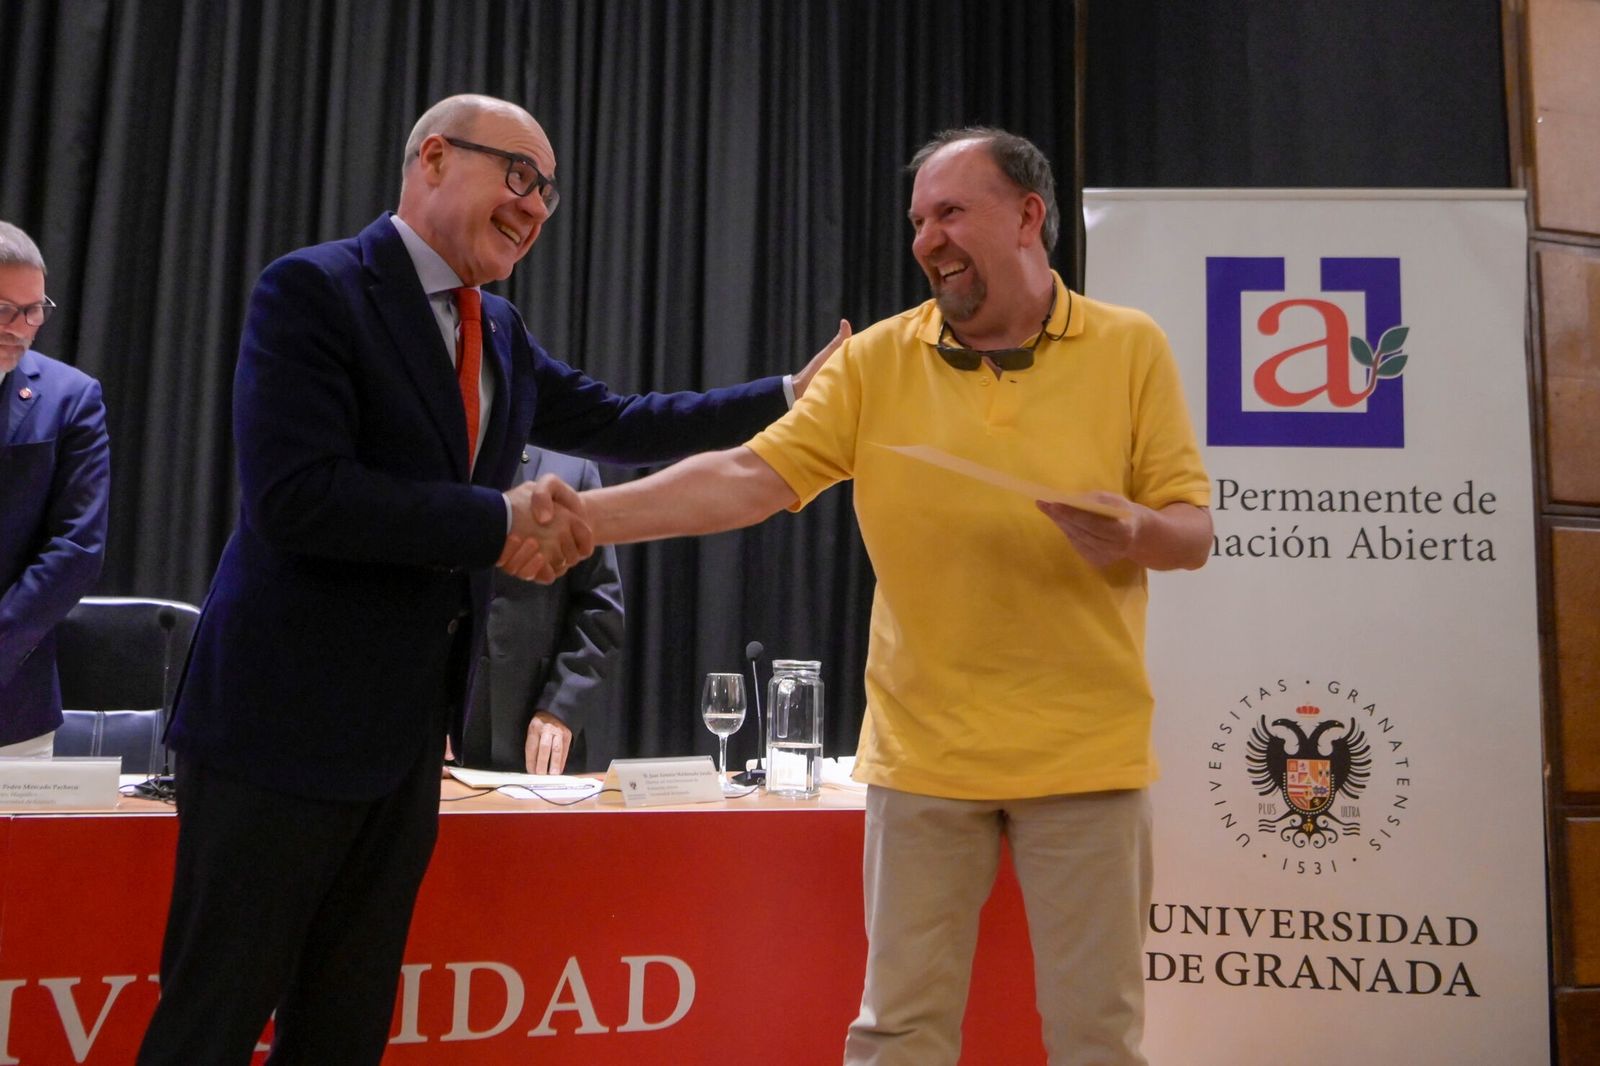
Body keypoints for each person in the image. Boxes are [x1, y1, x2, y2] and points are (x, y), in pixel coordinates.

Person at [137, 93, 831, 1065]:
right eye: (518, 176)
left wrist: (785, 398)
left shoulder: (496, 327)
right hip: (274, 733)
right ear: (431, 156)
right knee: (211, 1020)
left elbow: (620, 420)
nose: (537, 207)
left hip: (406, 743)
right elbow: (297, 498)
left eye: (548, 192)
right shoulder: (313, 290)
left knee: (343, 1028)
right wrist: (495, 518)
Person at [565, 128, 1213, 1065]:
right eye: (918, 220)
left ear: (1029, 215)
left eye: (951, 211)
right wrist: (580, 520)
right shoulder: (877, 360)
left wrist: (1139, 533)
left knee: (1097, 1038)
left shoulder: (1130, 346)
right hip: (923, 757)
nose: (926, 239)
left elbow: (1192, 531)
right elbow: (749, 476)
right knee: (897, 1033)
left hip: (1086, 756)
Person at [0, 221, 111, 759]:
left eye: (35, 308)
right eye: (4, 310)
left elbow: (76, 549)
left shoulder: (70, 398)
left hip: (10, 706)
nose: (22, 327)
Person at [459, 447, 623, 774]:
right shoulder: (433, 461)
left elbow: (601, 607)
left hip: (538, 738)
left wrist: (560, 707)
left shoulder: (572, 467)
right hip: (433, 746)